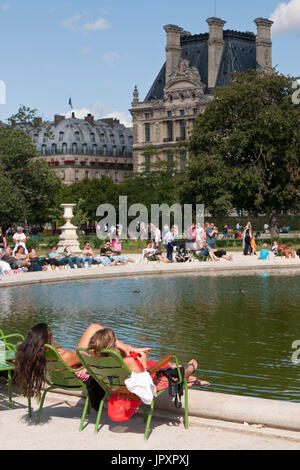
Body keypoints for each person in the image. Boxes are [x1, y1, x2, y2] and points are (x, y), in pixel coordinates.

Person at [13, 322, 152, 398]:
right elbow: (81, 356)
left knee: (101, 337)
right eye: (51, 335)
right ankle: (129, 349)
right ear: (47, 339)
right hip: (89, 374)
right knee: (96, 329)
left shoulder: (40, 357)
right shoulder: (64, 356)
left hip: (64, 378)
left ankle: (128, 349)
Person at [86, 328, 210, 389]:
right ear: (112, 345)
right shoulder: (124, 361)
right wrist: (143, 359)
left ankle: (189, 379)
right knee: (171, 368)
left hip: (116, 389)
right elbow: (145, 381)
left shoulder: (95, 362)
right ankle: (185, 376)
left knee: (166, 367)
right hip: (138, 389)